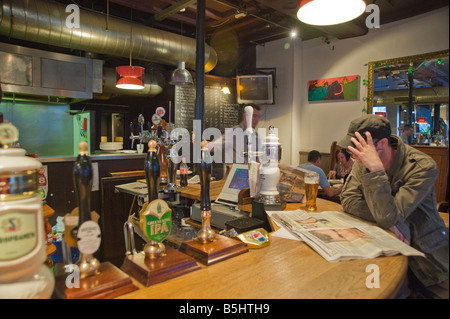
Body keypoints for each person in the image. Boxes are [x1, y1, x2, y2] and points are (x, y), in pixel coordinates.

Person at [338, 114, 449, 299]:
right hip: (391, 255)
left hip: (430, 260)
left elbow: (388, 216)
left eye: (359, 145)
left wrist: (376, 170)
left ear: (381, 144)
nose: (354, 154)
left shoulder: (422, 166)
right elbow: (348, 199)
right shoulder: (362, 160)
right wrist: (393, 220)